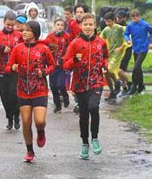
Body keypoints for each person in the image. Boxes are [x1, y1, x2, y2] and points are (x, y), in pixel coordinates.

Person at [6, 21, 55, 163]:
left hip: (39, 89)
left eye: (27, 30)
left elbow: (52, 65)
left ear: (35, 32)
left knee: (39, 121)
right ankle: (29, 150)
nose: (24, 32)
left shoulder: (43, 48)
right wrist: (13, 68)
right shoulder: (17, 48)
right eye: (23, 30)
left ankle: (41, 132)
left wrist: (44, 72)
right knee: (26, 121)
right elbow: (8, 67)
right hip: (23, 90)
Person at [63, 13, 109, 160]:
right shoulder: (75, 44)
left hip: (96, 82)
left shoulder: (101, 42)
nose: (88, 27)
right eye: (85, 24)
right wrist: (75, 60)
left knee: (93, 108)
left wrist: (105, 66)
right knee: (83, 115)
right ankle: (84, 143)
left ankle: (94, 138)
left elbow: (105, 57)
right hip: (79, 84)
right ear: (81, 26)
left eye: (90, 24)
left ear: (94, 26)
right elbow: (65, 64)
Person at [0, 11, 23, 130]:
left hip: (14, 70)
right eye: (8, 24)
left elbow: (24, 48)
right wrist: (0, 48)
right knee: (5, 96)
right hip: (1, 70)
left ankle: (17, 116)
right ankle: (9, 117)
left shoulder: (19, 35)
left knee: (14, 94)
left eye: (12, 25)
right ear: (4, 22)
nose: (10, 27)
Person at [44, 18, 70, 112]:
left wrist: (65, 59)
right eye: (58, 25)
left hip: (62, 66)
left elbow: (70, 49)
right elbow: (45, 48)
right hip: (52, 65)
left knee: (61, 84)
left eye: (62, 25)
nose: (60, 27)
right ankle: (57, 105)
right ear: (54, 26)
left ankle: (65, 96)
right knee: (53, 86)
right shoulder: (50, 36)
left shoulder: (67, 36)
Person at [124, 10, 152, 95]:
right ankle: (141, 86)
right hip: (135, 48)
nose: (134, 19)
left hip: (144, 48)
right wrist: (128, 40)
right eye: (133, 17)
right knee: (138, 68)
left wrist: (150, 42)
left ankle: (134, 86)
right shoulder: (130, 25)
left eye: (136, 17)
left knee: (136, 67)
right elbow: (126, 34)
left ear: (139, 16)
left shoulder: (145, 24)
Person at [100, 12, 127, 100]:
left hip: (118, 53)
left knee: (110, 69)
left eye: (109, 21)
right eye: (106, 22)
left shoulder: (120, 28)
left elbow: (128, 38)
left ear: (114, 20)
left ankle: (118, 83)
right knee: (106, 71)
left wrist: (121, 47)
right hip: (109, 53)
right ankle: (113, 90)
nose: (107, 23)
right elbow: (100, 40)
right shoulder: (106, 29)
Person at [116, 10, 133, 93]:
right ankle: (124, 87)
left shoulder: (127, 27)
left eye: (120, 18)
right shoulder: (115, 26)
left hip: (127, 50)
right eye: (117, 17)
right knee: (119, 70)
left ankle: (129, 84)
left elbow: (128, 40)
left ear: (125, 18)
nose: (118, 19)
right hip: (117, 51)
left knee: (120, 70)